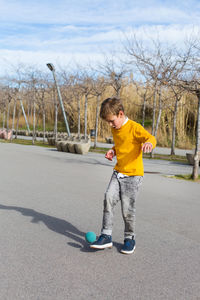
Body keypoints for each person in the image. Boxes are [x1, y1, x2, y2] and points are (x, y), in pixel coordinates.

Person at [90, 97, 156, 254]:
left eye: (112, 121)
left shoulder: (134, 127)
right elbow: (121, 144)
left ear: (120, 114)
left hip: (133, 176)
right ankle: (106, 235)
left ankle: (129, 238)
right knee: (108, 198)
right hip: (118, 172)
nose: (110, 125)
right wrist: (113, 150)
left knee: (127, 208)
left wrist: (148, 144)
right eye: (108, 122)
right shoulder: (116, 129)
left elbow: (150, 138)